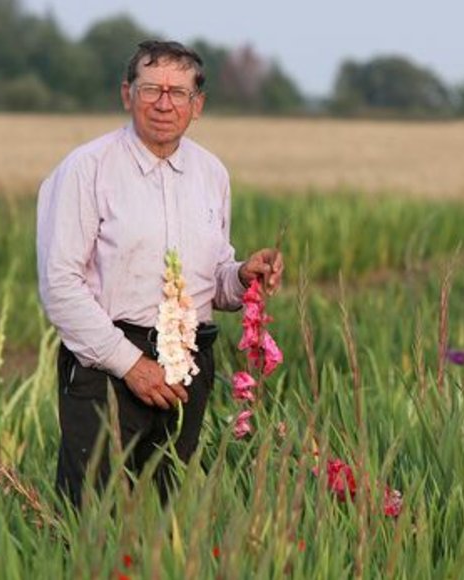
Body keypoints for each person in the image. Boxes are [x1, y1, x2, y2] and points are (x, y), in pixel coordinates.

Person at [37, 40, 283, 507]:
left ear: (198, 105)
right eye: (151, 89)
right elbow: (60, 287)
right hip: (106, 365)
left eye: (178, 92)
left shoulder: (212, 174)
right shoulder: (86, 170)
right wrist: (132, 366)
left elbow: (212, 280)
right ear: (126, 94)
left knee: (166, 518)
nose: (164, 103)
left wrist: (242, 276)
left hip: (189, 362)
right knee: (90, 516)